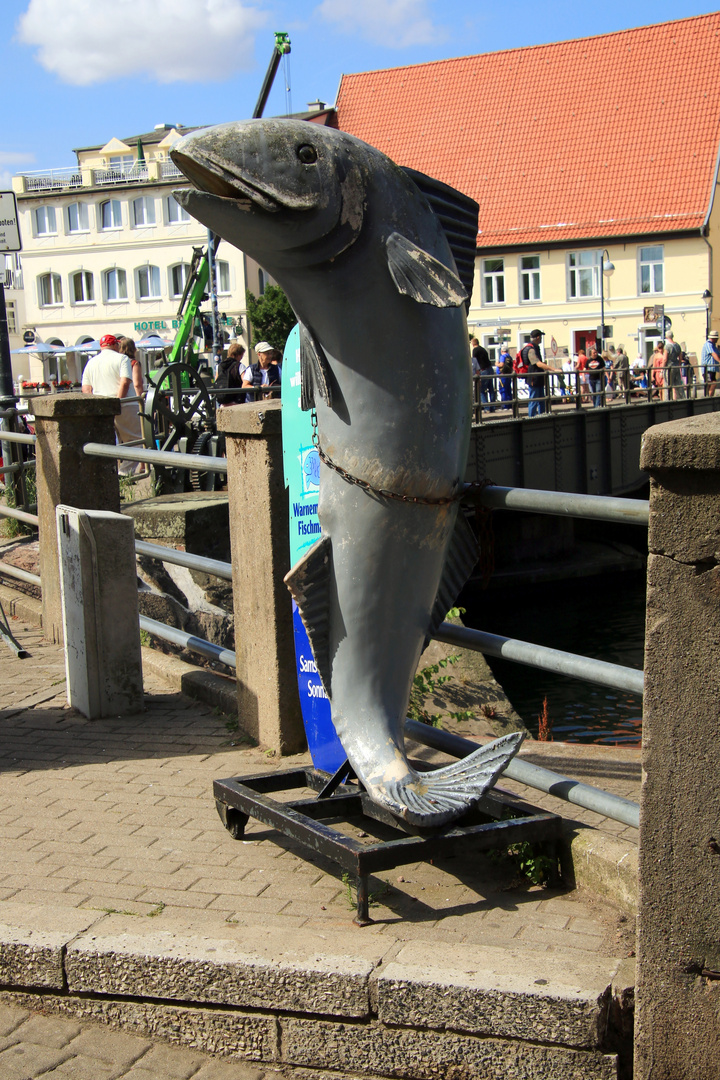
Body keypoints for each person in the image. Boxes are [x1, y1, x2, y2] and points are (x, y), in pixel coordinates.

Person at [81, 334, 140, 474]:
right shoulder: (122, 358)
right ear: (115, 345)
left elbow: (86, 389)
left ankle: (107, 473)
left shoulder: (91, 362)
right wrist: (117, 402)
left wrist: (95, 408)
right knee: (135, 440)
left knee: (107, 442)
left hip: (101, 408)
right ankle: (124, 473)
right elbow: (125, 382)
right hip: (125, 405)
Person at [521, 329, 553, 417]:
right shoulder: (531, 349)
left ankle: (542, 416)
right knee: (534, 399)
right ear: (538, 337)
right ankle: (531, 417)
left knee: (541, 399)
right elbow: (537, 363)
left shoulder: (534, 347)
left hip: (538, 377)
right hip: (533, 378)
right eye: (541, 337)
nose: (541, 339)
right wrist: (553, 369)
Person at [663, 331, 685, 401]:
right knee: (678, 383)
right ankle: (681, 398)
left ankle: (667, 400)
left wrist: (662, 369)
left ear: (666, 337)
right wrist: (679, 364)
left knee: (667, 384)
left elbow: (665, 359)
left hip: (669, 367)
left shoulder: (667, 346)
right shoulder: (677, 345)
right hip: (676, 366)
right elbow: (680, 357)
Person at [700, 330, 720, 396]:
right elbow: (713, 354)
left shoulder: (713, 345)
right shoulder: (708, 345)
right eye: (716, 338)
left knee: (711, 384)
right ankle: (709, 397)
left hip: (712, 369)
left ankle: (709, 396)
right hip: (708, 369)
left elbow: (718, 354)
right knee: (712, 383)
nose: (717, 339)